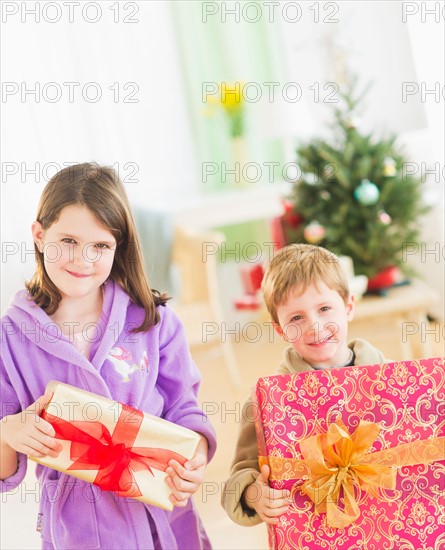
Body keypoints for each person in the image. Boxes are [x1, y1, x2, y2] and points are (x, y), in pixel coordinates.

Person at [0, 163, 216, 549]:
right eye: (67, 240)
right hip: (75, 530)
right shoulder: (11, 338)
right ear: (38, 234)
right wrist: (8, 430)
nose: (82, 259)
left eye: (100, 246)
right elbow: (5, 465)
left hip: (159, 515)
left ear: (118, 248)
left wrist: (195, 456)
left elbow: (185, 407)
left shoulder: (153, 321)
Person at [221, 243, 385, 527]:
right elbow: (240, 473)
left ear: (348, 307)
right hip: (313, 533)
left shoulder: (396, 379)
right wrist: (251, 494)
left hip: (391, 526)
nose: (315, 326)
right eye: (296, 317)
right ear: (280, 329)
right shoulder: (267, 400)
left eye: (324, 308)